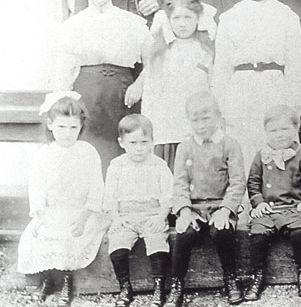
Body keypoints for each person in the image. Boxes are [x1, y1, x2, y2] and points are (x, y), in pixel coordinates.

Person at [54, 0, 153, 171]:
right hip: (87, 98)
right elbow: (63, 74)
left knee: (124, 152)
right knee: (90, 154)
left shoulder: (133, 23)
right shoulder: (72, 27)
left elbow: (153, 61)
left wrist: (140, 84)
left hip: (123, 97)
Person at [212, 0, 301, 169]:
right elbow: (222, 68)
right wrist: (220, 109)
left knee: (276, 153)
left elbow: (294, 67)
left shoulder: (287, 16)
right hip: (240, 91)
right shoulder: (229, 17)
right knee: (242, 154)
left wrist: (294, 108)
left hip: (274, 89)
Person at [17, 93, 107, 307]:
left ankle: (67, 282)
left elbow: (96, 188)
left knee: (69, 237)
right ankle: (48, 281)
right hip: (53, 210)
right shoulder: (44, 154)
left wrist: (84, 218)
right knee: (37, 236)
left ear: (80, 127)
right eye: (62, 127)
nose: (68, 134)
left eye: (73, 128)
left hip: (82, 212)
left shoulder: (87, 152)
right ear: (50, 125)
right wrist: (39, 217)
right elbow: (37, 188)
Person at [165, 92, 246, 307]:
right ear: (188, 120)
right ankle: (177, 284)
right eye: (195, 120)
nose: (201, 125)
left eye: (206, 118)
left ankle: (230, 278)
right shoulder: (185, 147)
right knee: (184, 234)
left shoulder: (230, 145)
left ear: (219, 117)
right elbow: (180, 183)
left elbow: (237, 183)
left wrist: (226, 210)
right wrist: (184, 211)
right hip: (193, 208)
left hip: (221, 207)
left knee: (222, 232)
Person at [244, 105, 301, 301]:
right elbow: (252, 182)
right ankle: (257, 276)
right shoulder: (261, 156)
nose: (279, 135)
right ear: (266, 133)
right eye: (273, 130)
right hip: (268, 209)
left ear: (296, 129)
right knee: (258, 235)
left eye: (285, 129)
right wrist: (258, 202)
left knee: (300, 232)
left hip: (293, 208)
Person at [142, 0, 216, 170]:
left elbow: (214, 89)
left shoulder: (206, 52)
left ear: (198, 18)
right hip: (166, 126)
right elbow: (150, 92)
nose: (182, 23)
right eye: (176, 18)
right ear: (168, 20)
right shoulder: (159, 53)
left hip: (196, 127)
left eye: (188, 17)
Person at [104, 114, 173, 307]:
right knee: (117, 246)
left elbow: (168, 194)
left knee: (157, 244)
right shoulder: (117, 166)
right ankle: (125, 287)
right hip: (125, 216)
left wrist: (161, 216)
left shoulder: (159, 165)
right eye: (133, 142)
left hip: (152, 215)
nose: (139, 148)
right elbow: (110, 196)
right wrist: (115, 218)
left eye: (145, 142)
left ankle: (159, 287)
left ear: (153, 141)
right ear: (122, 142)